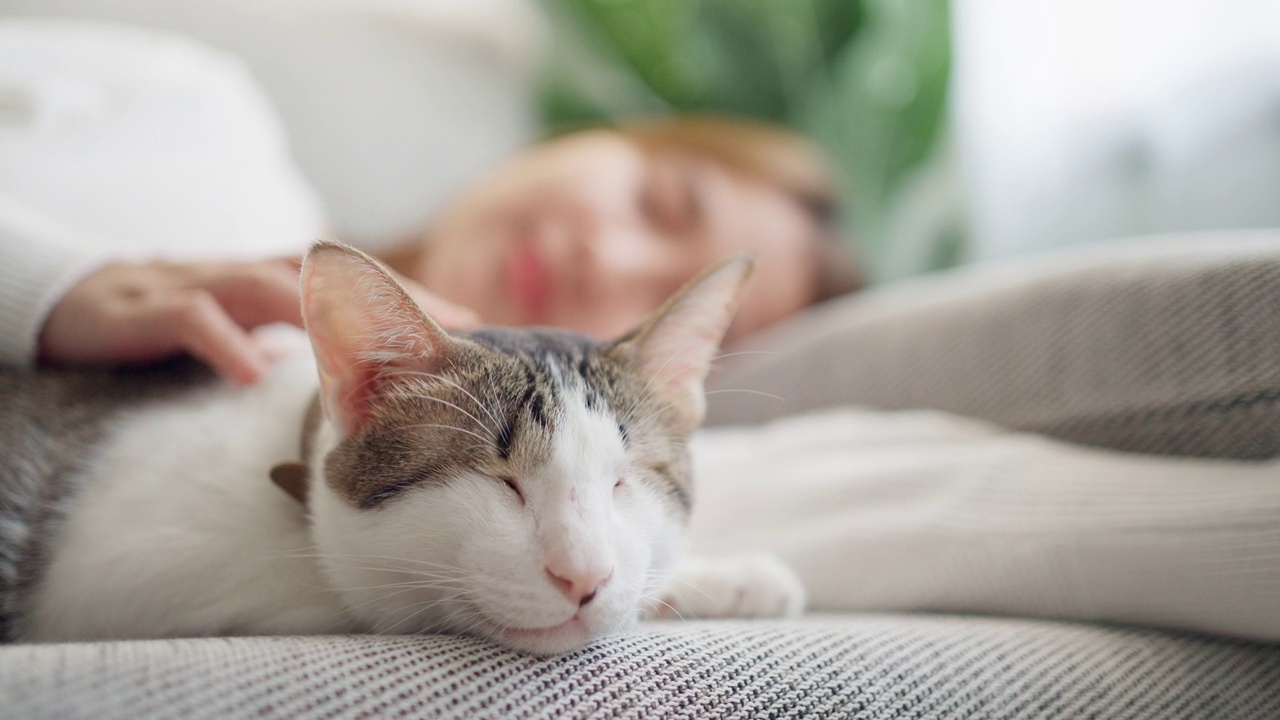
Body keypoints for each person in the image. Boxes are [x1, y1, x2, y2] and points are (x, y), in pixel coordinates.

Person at [1, 18, 859, 386]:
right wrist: (48, 293)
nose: (611, 259)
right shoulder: (193, 104)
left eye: (671, 309)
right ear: (600, 134)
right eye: (660, 201)